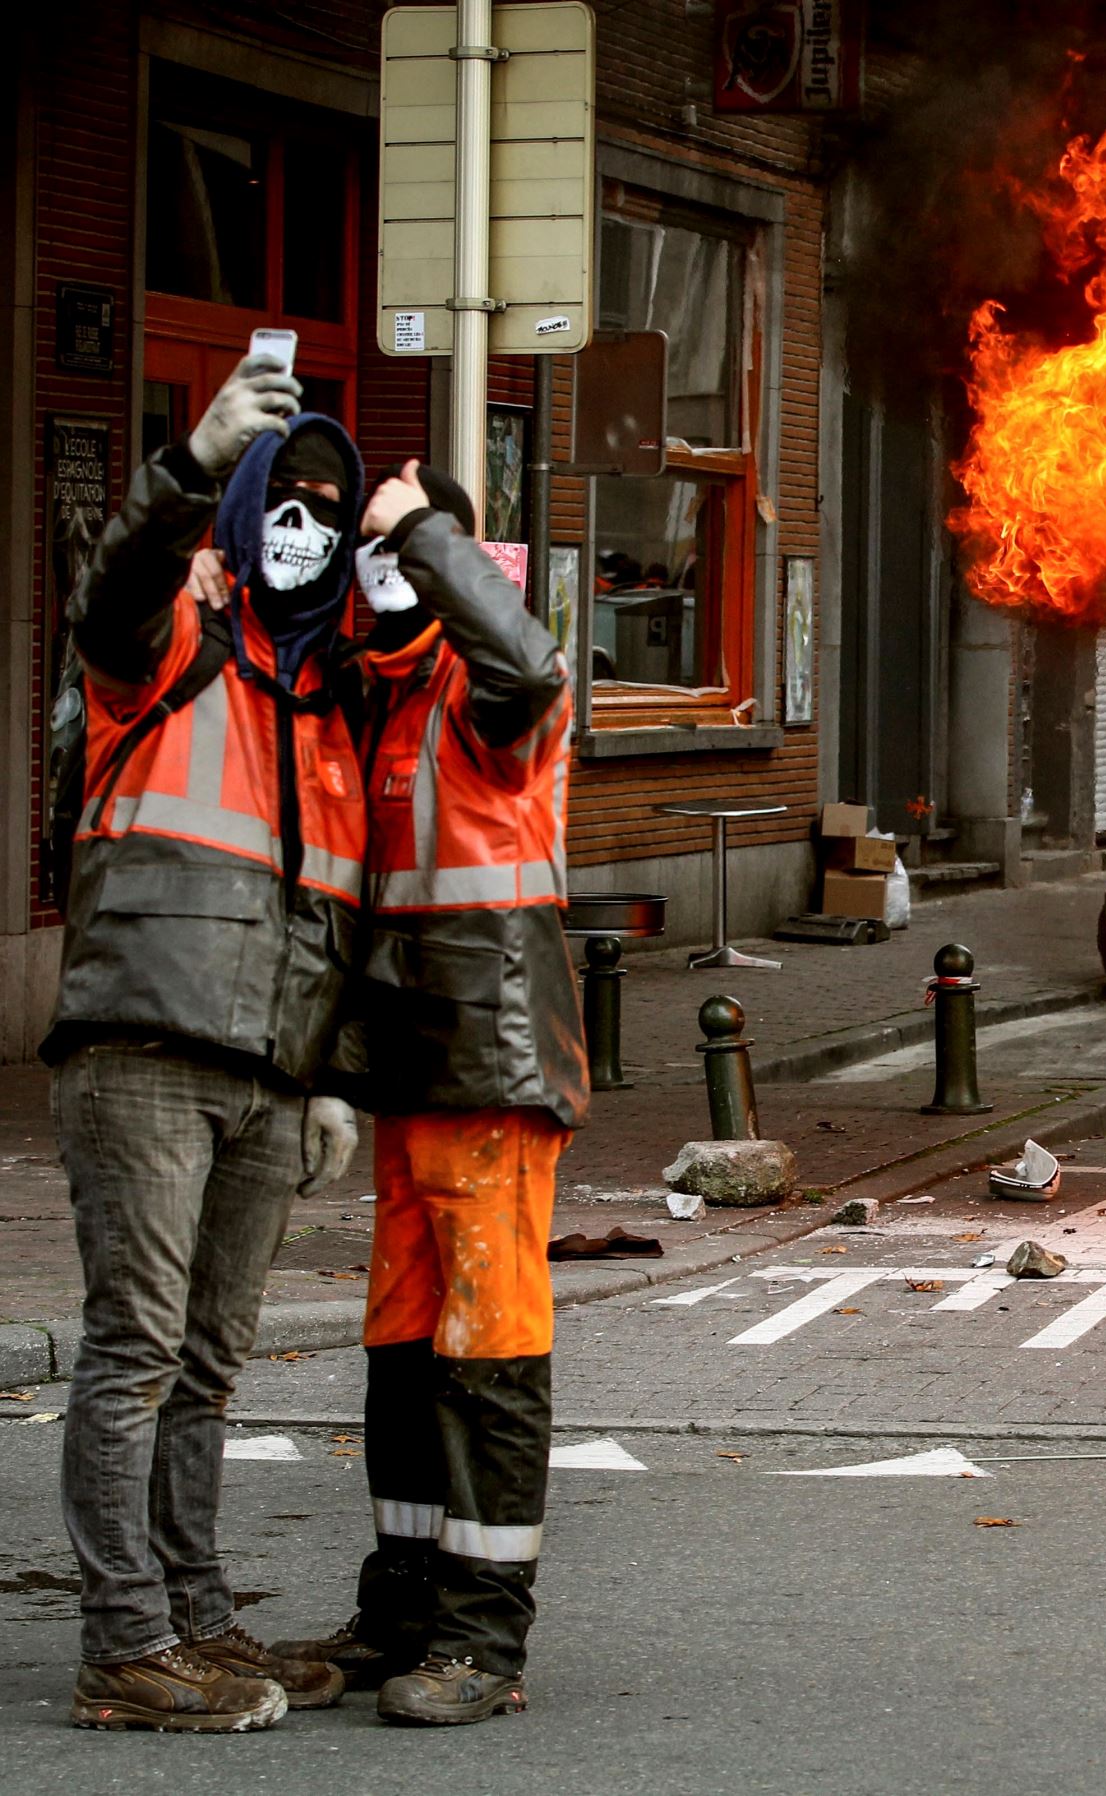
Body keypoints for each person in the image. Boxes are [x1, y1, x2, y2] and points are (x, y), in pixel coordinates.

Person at [48, 359, 365, 1730]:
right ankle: (124, 1642)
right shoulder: (170, 642)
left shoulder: (331, 702)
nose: (307, 522)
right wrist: (185, 470)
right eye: (282, 496)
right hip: (144, 1049)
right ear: (240, 510)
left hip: (266, 1075)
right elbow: (109, 591)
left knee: (206, 1359)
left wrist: (328, 1081)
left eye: (330, 508)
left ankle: (194, 1617)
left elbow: (331, 916)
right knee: (136, 1348)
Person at [269, 461, 584, 1726]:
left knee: (488, 1342)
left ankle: (483, 1637)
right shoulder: (383, 700)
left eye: (392, 550)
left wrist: (421, 526)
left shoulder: (480, 694)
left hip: (493, 1068)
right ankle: (403, 1601)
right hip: (411, 1069)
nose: (377, 572)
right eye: (371, 550)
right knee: (404, 1345)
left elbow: (529, 663)